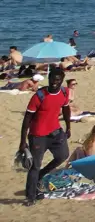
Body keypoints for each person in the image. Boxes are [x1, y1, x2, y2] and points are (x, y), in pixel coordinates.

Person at [21, 67, 71, 205]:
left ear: (61, 80)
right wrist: (23, 141)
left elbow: (66, 109)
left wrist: (68, 126)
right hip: (38, 135)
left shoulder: (64, 92)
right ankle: (31, 197)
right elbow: (27, 119)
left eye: (58, 80)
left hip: (56, 133)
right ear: (48, 79)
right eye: (52, 79)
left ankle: (41, 175)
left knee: (63, 155)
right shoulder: (39, 96)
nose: (54, 82)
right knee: (34, 167)